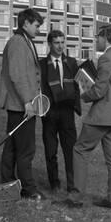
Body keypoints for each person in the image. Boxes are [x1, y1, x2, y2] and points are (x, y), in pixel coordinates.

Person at [63, 25, 111, 209]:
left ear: (105, 37)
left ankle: (76, 199)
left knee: (80, 150)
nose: (95, 40)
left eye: (97, 36)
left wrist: (83, 95)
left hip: (101, 116)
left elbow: (99, 90)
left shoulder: (106, 58)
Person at [0, 8, 45, 201]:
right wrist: (28, 101)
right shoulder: (18, 42)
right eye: (36, 25)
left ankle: (8, 184)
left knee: (13, 147)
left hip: (21, 104)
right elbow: (17, 75)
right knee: (25, 149)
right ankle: (28, 188)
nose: (39, 29)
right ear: (25, 23)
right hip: (21, 105)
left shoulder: (23, 41)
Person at [39, 30, 82, 193]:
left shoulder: (71, 62)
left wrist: (75, 105)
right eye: (57, 42)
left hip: (67, 112)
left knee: (70, 150)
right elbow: (40, 89)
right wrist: (43, 110)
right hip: (49, 113)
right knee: (51, 151)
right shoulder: (42, 65)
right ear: (49, 44)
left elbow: (78, 86)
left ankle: (72, 185)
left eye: (63, 42)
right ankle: (54, 183)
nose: (60, 46)